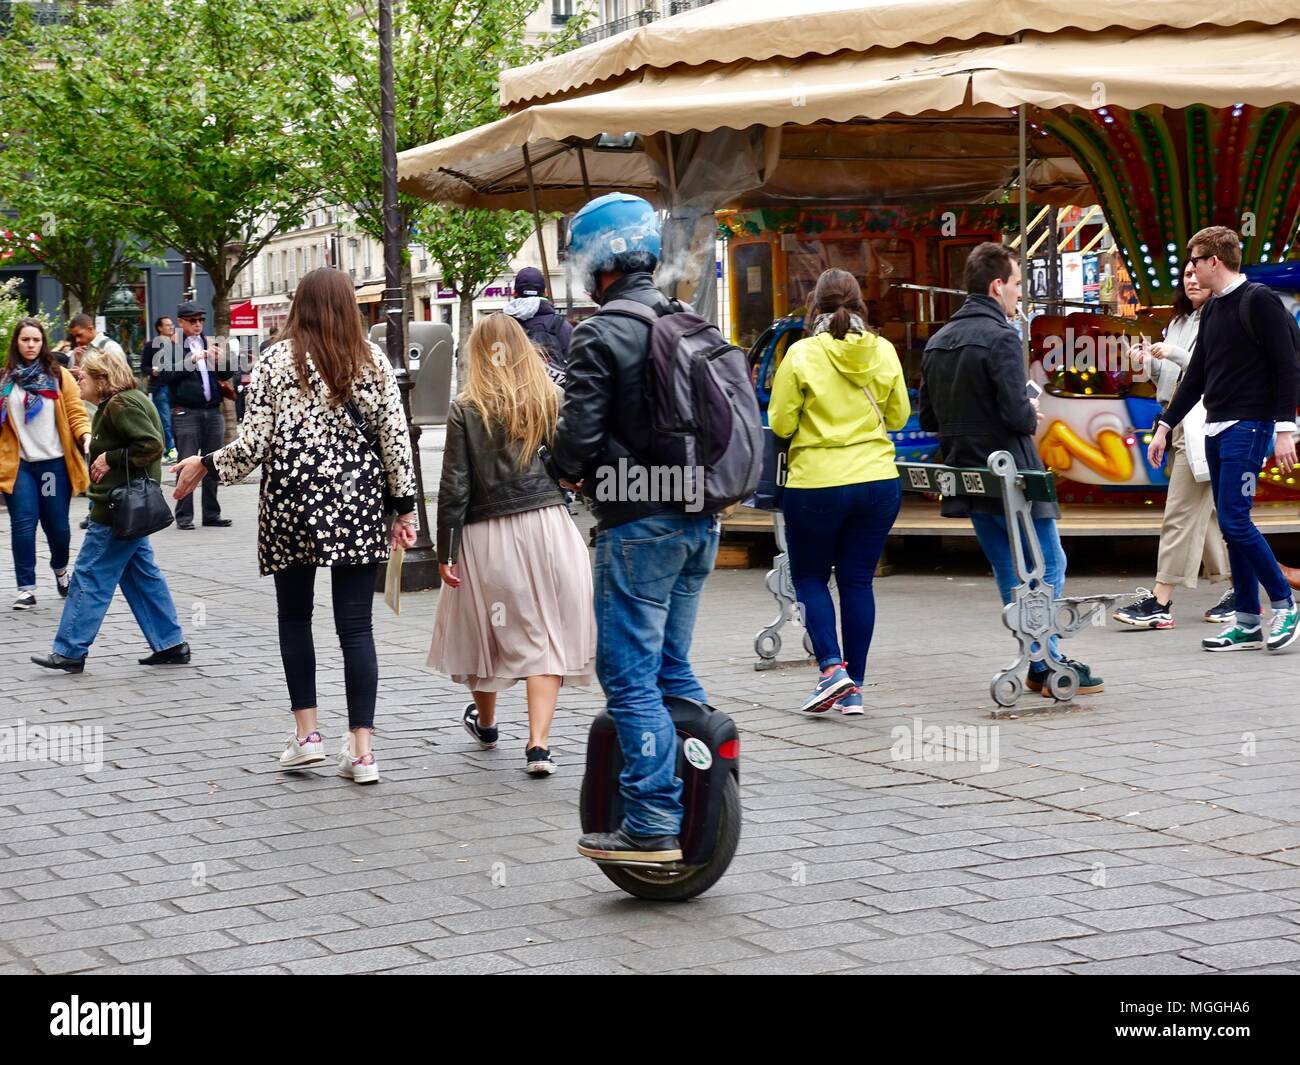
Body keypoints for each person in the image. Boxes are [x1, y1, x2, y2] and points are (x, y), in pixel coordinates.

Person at [172, 267, 418, 784]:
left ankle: (308, 736)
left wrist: (206, 463)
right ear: (350, 306)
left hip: (291, 500)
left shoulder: (275, 361)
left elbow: (255, 444)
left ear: (299, 305)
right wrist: (404, 507)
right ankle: (363, 752)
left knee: (294, 618)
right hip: (356, 500)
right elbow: (395, 440)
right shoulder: (372, 361)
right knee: (357, 627)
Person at [550, 192, 720, 864]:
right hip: (698, 521)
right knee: (671, 670)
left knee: (626, 675)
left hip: (638, 525)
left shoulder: (601, 331)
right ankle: (710, 779)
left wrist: (560, 462)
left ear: (599, 260)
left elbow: (579, 440)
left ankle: (651, 816)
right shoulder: (686, 320)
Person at [919, 241, 1103, 695]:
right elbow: (1018, 417)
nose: (1021, 294)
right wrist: (1028, 409)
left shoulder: (939, 341)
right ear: (997, 285)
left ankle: (1037, 657)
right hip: (1011, 474)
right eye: (1018, 284)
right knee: (1049, 562)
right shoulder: (1001, 337)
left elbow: (927, 418)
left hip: (967, 474)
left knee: (1008, 570)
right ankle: (1047, 661)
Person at [428, 313, 595, 775]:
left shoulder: (467, 407)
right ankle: (538, 745)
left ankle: (486, 722)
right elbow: (571, 461)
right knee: (545, 636)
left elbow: (455, 485)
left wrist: (445, 549)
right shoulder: (549, 397)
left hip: (488, 535)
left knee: (485, 631)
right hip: (549, 528)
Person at [1150, 226, 1300, 652]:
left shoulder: (1261, 302)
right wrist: (1164, 425)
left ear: (1214, 261)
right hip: (1214, 427)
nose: (1191, 270)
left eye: (1195, 261)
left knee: (1235, 520)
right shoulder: (1214, 309)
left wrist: (1285, 427)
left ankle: (1285, 603)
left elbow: (1289, 367)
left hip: (1249, 427)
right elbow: (1196, 375)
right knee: (1234, 529)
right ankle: (1248, 624)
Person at [767, 268, 909, 714]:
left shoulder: (801, 354)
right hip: (877, 482)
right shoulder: (883, 351)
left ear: (816, 306)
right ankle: (856, 688)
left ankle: (832, 671)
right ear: (860, 303)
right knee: (856, 581)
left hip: (817, 485)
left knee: (810, 577)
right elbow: (900, 417)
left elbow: (781, 423)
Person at [30, 349, 188, 674]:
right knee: (141, 575)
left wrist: (110, 459)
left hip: (117, 508)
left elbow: (151, 445)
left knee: (89, 574)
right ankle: (171, 644)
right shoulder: (121, 401)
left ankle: (70, 650)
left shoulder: (121, 404)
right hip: (129, 507)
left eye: (84, 375)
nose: (78, 379)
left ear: (102, 379)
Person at [1115, 261, 1232, 628]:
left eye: (1198, 273)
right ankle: (1238, 588)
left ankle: (1161, 600)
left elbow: (1204, 370)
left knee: (1180, 512)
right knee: (1206, 513)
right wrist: (1149, 362)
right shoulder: (1179, 323)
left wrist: (1174, 354)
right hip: (1175, 419)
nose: (1193, 280)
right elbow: (1169, 380)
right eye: (1186, 276)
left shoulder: (1219, 319)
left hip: (1199, 421)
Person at [1, 318, 91, 610]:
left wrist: (86, 436)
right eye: (25, 340)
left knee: (58, 527)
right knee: (23, 525)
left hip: (52, 466)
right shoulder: (5, 381)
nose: (30, 345)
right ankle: (26, 588)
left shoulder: (58, 376)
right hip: (21, 467)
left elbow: (76, 412)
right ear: (17, 343)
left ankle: (60, 571)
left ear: (43, 344)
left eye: (35, 340)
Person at [158, 301, 234, 529]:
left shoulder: (208, 343)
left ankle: (211, 513)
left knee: (212, 462)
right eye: (192, 320)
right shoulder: (170, 346)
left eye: (201, 320)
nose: (198, 324)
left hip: (212, 410)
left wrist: (221, 361)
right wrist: (191, 360)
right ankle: (184, 516)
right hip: (185, 411)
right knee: (186, 462)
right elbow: (165, 376)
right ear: (181, 323)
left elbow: (226, 374)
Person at [502, 266, 572, 384]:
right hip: (553, 398)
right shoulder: (562, 326)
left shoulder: (501, 325)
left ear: (514, 292)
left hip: (512, 398)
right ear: (545, 292)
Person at [141, 316, 178, 460]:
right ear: (159, 328)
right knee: (165, 421)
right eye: (167, 325)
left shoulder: (176, 345)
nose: (171, 327)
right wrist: (153, 371)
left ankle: (168, 450)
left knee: (176, 420)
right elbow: (144, 366)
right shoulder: (151, 345)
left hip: (175, 386)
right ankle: (171, 451)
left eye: (172, 324)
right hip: (161, 387)